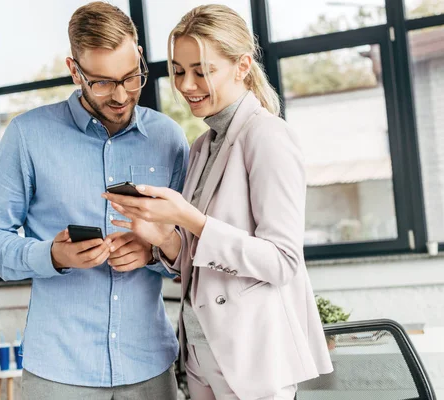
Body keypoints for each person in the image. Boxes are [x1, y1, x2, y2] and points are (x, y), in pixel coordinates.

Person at [103, 4, 333, 399]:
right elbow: (197, 257)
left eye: (202, 71)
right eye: (178, 71)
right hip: (201, 351)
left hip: (252, 357)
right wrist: (163, 237)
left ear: (242, 65)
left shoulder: (267, 137)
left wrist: (189, 218)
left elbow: (282, 261)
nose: (186, 85)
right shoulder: (201, 146)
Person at [0, 2, 188, 399]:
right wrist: (53, 257)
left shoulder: (169, 139)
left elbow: (190, 251)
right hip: (59, 372)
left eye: (131, 77)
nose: (122, 96)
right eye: (103, 82)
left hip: (149, 369)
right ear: (75, 71)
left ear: (140, 57)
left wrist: (154, 252)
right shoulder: (27, 136)